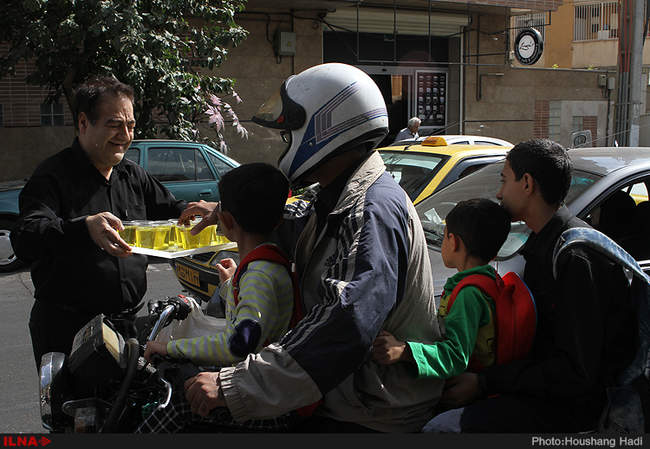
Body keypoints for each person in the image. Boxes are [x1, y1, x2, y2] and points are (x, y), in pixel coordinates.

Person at [155, 62, 444, 433]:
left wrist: (235, 385)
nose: (286, 142)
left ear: (327, 127)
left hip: (369, 413)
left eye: (289, 132)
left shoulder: (372, 211)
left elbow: (344, 324)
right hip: (339, 395)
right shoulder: (337, 196)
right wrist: (228, 212)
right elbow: (289, 221)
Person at [422, 138, 638, 433]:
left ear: (526, 183)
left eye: (504, 180)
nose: (499, 193)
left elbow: (575, 372)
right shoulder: (543, 243)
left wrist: (486, 383)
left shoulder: (575, 257)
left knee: (440, 429)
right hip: (533, 387)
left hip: (571, 410)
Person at [10, 76, 187, 371]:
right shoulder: (52, 176)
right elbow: (26, 236)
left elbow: (173, 210)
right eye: (114, 125)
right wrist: (83, 228)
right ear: (83, 123)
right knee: (76, 400)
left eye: (130, 125)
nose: (125, 135)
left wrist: (201, 212)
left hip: (126, 326)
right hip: (68, 327)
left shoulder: (132, 175)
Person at [144, 162, 295, 367]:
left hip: (256, 377)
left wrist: (170, 348)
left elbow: (238, 344)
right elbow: (254, 313)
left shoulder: (258, 276)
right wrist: (229, 286)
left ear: (225, 220)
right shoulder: (266, 265)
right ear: (279, 221)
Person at [371, 198, 511, 380]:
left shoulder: (469, 294)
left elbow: (456, 356)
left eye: (444, 235)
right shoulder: (488, 280)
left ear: (454, 242)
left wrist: (404, 351)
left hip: (464, 383)